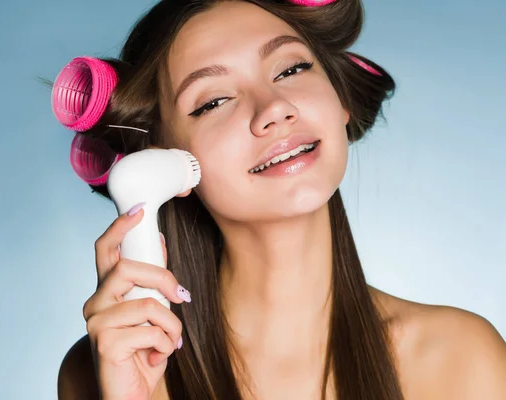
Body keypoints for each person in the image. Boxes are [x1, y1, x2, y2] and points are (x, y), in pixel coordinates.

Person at [55, 1, 506, 399]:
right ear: (166, 162)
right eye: (213, 101)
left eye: (290, 70)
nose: (274, 108)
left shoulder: (461, 357)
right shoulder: (107, 367)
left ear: (340, 98)